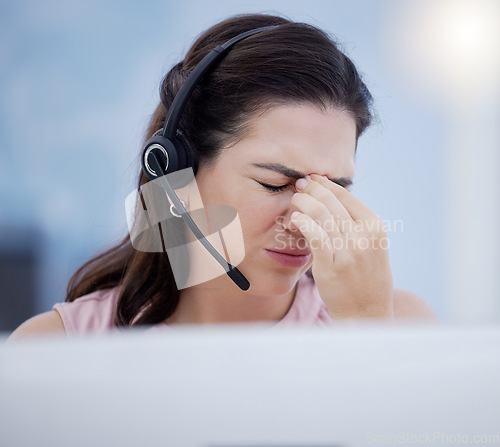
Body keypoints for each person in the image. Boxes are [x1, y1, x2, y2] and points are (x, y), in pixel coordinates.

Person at [8, 13, 438, 341]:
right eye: (276, 184)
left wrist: (368, 335)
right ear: (177, 174)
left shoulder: (397, 326)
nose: (308, 221)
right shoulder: (58, 347)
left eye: (335, 188)